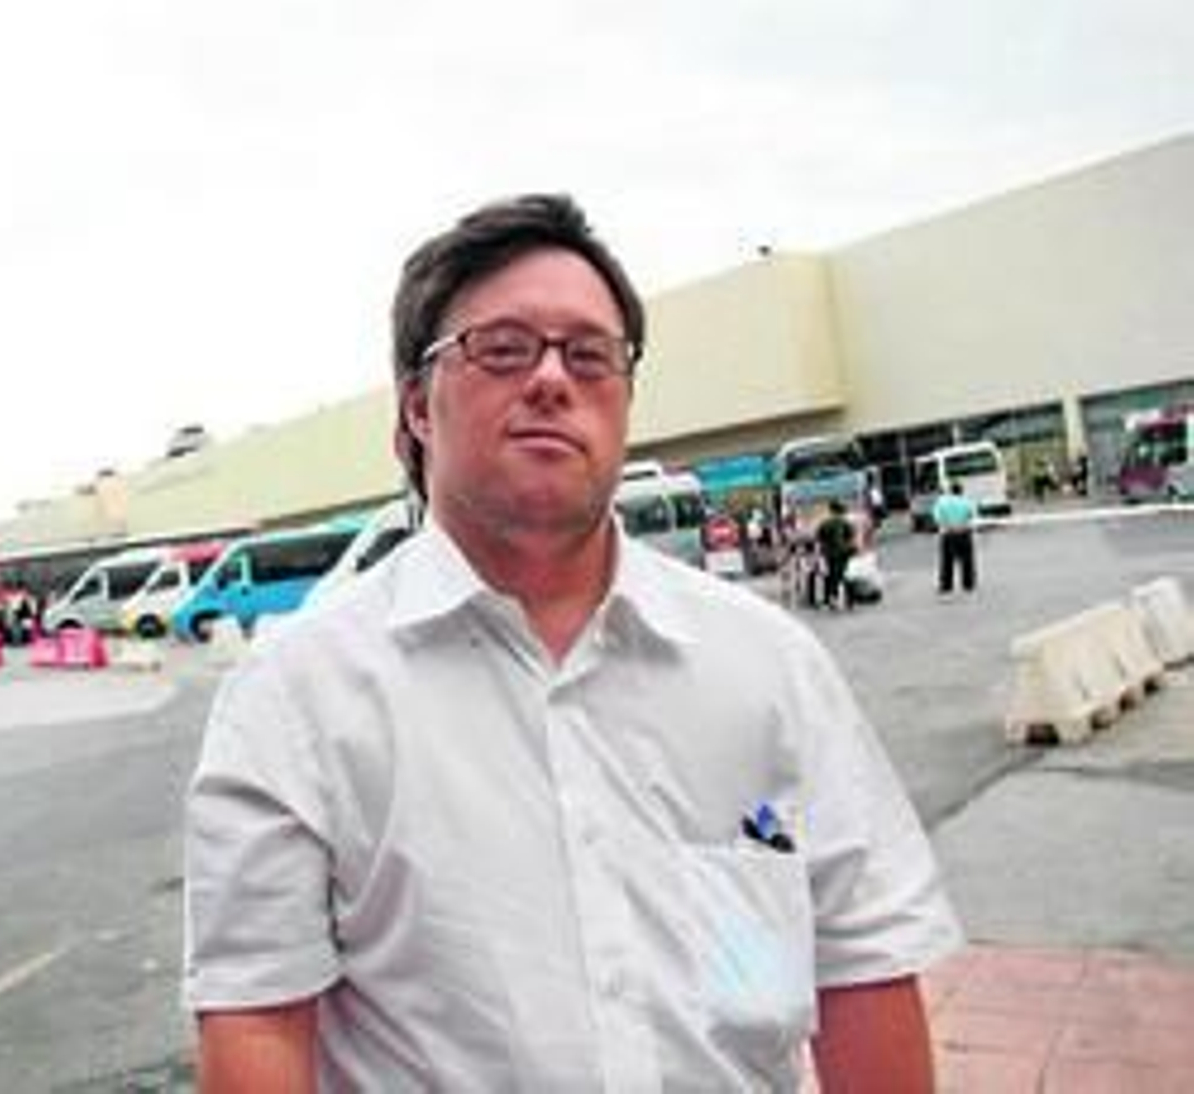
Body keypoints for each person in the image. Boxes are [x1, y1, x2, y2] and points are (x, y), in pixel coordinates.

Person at [184, 194, 961, 1091]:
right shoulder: (296, 697)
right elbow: (257, 1028)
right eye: (503, 349)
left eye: (590, 354)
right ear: (416, 409)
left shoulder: (768, 667)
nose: (553, 379)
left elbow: (858, 970)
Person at [932, 481, 979, 594]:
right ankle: (968, 584)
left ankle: (946, 585)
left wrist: (946, 524)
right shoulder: (967, 501)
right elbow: (972, 515)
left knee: (946, 561)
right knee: (967, 561)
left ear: (950, 491)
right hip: (963, 532)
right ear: (961, 491)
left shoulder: (942, 501)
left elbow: (937, 517)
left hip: (947, 533)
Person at [815, 499, 857, 610]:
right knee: (846, 575)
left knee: (831, 576)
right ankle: (850, 601)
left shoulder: (825, 523)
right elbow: (852, 538)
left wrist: (819, 553)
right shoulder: (846, 522)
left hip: (830, 554)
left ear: (830, 510)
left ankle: (832, 599)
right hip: (844, 553)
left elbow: (819, 539)